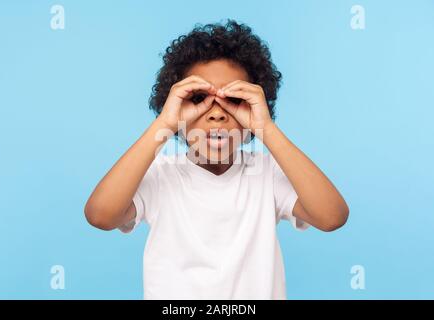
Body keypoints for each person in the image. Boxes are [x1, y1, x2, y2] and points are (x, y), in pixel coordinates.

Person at [84, 20, 349, 299]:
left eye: (233, 99)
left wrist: (266, 129)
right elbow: (100, 215)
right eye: (199, 98)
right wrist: (165, 122)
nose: (216, 113)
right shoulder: (161, 175)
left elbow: (332, 217)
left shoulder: (267, 173)